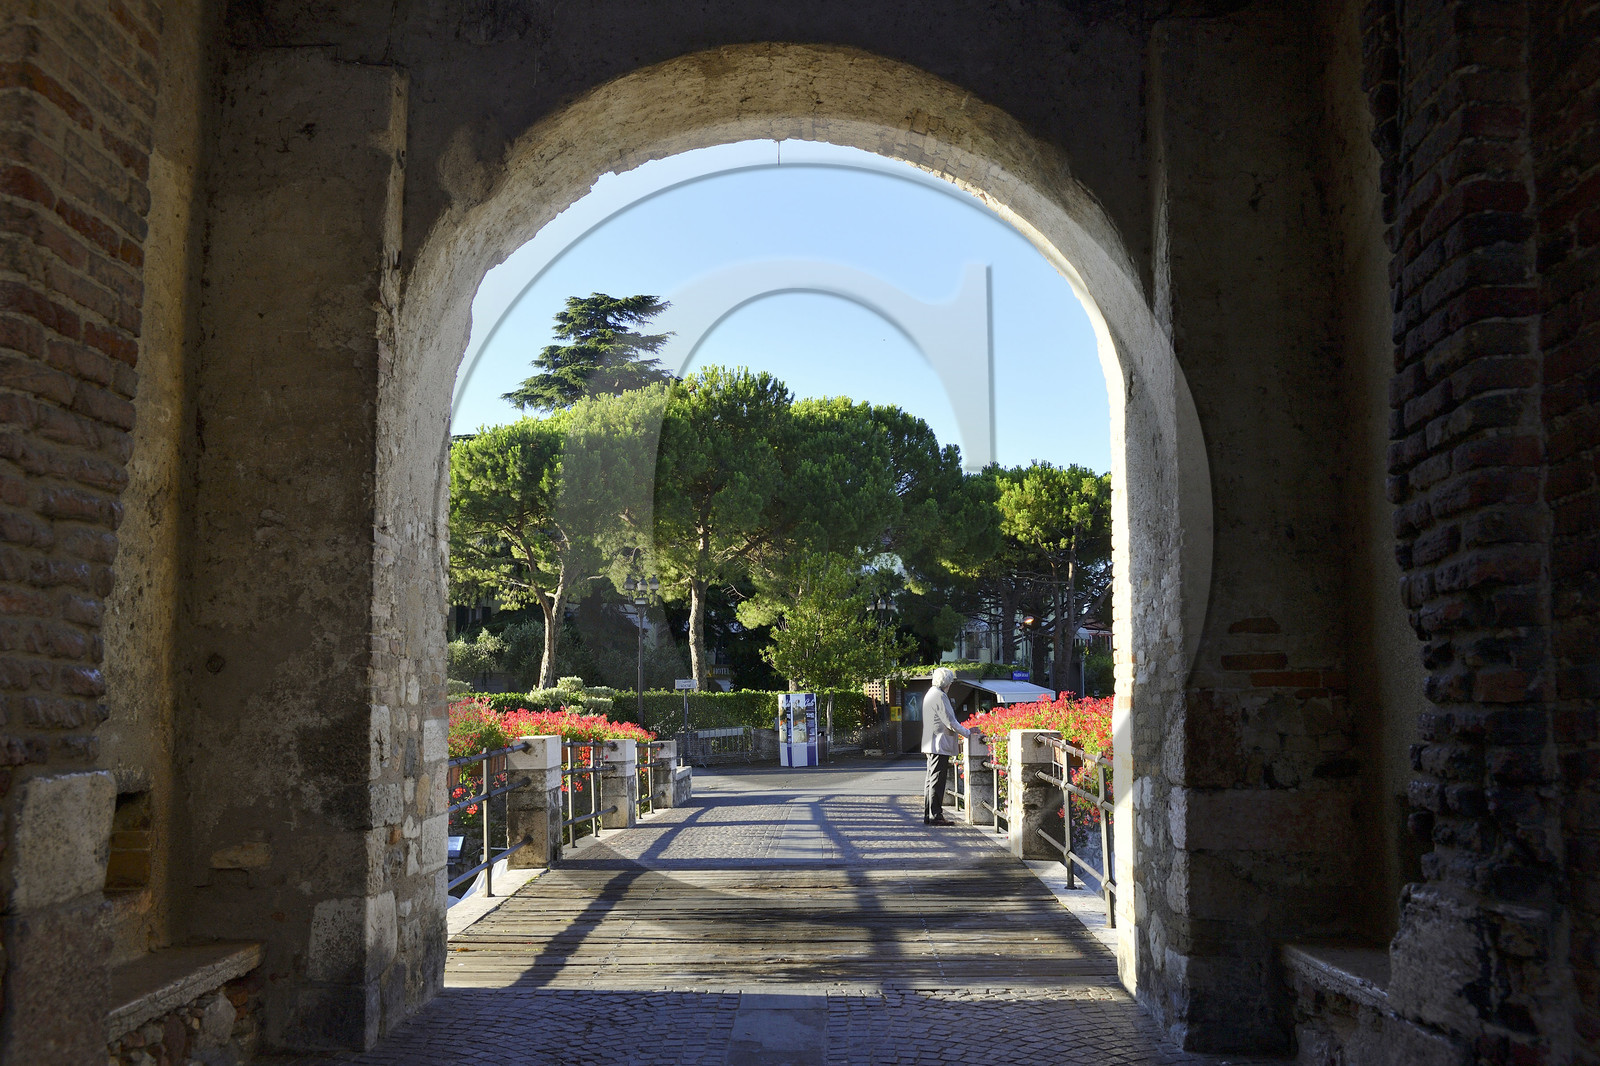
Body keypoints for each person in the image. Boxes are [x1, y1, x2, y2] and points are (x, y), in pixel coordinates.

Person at [921, 667, 977, 826]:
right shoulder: (939, 696)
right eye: (951, 681)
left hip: (930, 743)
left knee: (931, 780)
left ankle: (930, 815)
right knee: (937, 781)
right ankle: (935, 816)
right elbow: (950, 721)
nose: (951, 684)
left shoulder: (930, 693)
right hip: (938, 744)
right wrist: (967, 732)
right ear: (946, 682)